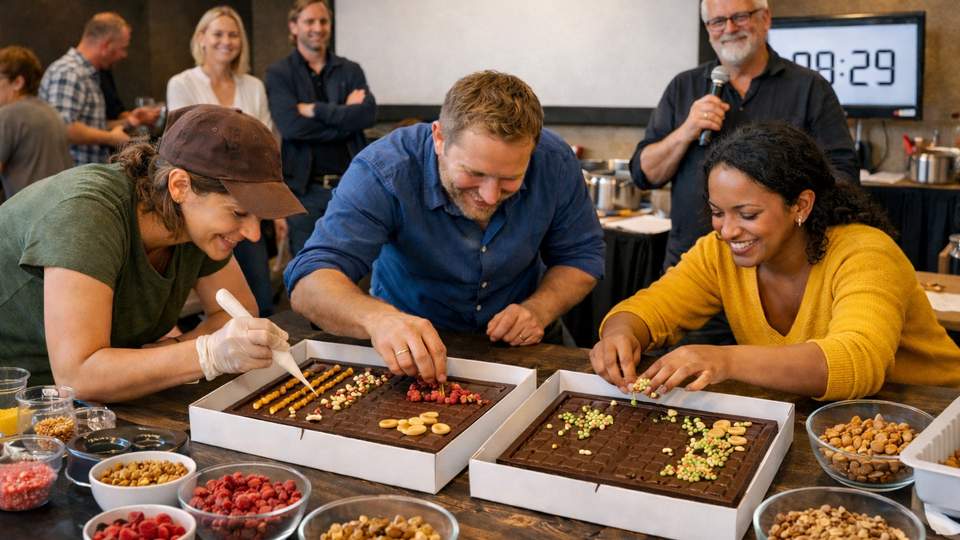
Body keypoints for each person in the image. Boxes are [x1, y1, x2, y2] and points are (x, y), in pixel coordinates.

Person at [592, 123, 960, 401]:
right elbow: (651, 308)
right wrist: (620, 334)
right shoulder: (718, 253)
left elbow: (857, 361)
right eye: (718, 212)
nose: (728, 231)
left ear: (801, 205)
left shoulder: (866, 253)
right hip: (827, 419)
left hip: (934, 412)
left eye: (748, 214)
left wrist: (725, 361)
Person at [285, 70, 605, 383]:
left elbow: (581, 255)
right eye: (474, 173)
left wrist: (539, 309)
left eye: (510, 179)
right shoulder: (385, 169)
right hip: (412, 347)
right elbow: (309, 281)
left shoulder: (554, 161)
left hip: (525, 341)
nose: (490, 196)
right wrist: (378, 319)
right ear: (439, 138)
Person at [0, 104, 306, 402]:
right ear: (180, 185)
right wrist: (207, 354)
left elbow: (237, 312)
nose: (254, 235)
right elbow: (78, 377)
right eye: (239, 212)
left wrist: (175, 349)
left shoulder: (195, 226)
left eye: (259, 218)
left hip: (87, 399)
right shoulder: (86, 213)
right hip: (18, 399)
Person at [632, 0, 858, 272]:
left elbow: (842, 177)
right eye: (718, 21)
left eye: (740, 17)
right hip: (690, 263)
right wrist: (686, 131)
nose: (729, 28)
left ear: (765, 18)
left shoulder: (810, 87)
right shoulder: (683, 86)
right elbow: (644, 175)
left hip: (782, 271)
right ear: (708, 29)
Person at [167, 5, 285, 316]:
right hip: (204, 201)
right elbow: (184, 145)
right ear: (201, 38)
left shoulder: (253, 86)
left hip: (250, 204)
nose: (226, 41)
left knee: (259, 298)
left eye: (233, 35)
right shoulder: (182, 83)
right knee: (212, 301)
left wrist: (275, 211)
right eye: (218, 34)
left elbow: (267, 145)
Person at [265, 0, 377, 255]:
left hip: (351, 187)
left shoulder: (350, 70)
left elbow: (367, 115)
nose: (318, 28)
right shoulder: (279, 73)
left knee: (358, 264)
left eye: (323, 21)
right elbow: (292, 127)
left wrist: (315, 110)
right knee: (310, 266)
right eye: (310, 21)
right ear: (294, 26)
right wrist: (345, 117)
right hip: (306, 194)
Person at [39, 12, 159, 166]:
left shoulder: (88, 74)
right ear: (106, 45)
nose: (123, 55)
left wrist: (129, 121)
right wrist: (110, 138)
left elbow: (92, 126)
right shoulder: (69, 72)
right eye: (122, 48)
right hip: (71, 175)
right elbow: (64, 128)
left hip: (84, 173)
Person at [0, 46, 72, 202]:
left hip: (29, 213)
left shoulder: (7, 115)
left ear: (17, 82)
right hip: (60, 208)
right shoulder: (51, 112)